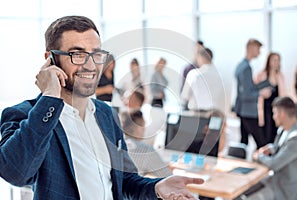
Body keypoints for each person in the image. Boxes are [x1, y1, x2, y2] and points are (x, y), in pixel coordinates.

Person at [0, 15, 204, 200]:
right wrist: (50, 97)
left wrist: (156, 187)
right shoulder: (26, 115)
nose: (90, 65)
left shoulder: (107, 114)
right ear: (50, 59)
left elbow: (125, 181)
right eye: (77, 54)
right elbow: (16, 173)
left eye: (96, 55)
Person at [240, 96, 297, 200]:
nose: (273, 117)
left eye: (275, 113)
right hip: (273, 181)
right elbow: (280, 146)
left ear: (282, 114)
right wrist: (271, 148)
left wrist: (258, 156)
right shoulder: (284, 129)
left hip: (283, 190)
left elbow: (274, 164)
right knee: (241, 191)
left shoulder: (296, 138)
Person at [234, 38, 273, 149]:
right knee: (262, 143)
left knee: (243, 142)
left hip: (243, 110)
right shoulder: (246, 68)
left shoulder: (241, 65)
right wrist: (261, 93)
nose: (259, 52)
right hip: (248, 111)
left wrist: (266, 83)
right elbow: (246, 94)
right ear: (250, 48)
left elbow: (248, 88)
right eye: (258, 49)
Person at [121, 110, 172, 178]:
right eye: (144, 126)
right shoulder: (145, 150)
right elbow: (167, 176)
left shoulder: (116, 144)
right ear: (138, 128)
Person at [181, 47, 225, 113]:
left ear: (202, 58)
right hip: (215, 113)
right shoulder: (221, 76)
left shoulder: (194, 74)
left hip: (196, 113)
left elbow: (185, 95)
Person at [254, 52, 286, 144]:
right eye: (274, 60)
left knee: (275, 133)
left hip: (276, 110)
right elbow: (253, 91)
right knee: (265, 134)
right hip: (264, 110)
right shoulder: (261, 76)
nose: (276, 62)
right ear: (269, 61)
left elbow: (283, 95)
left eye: (278, 60)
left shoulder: (280, 76)